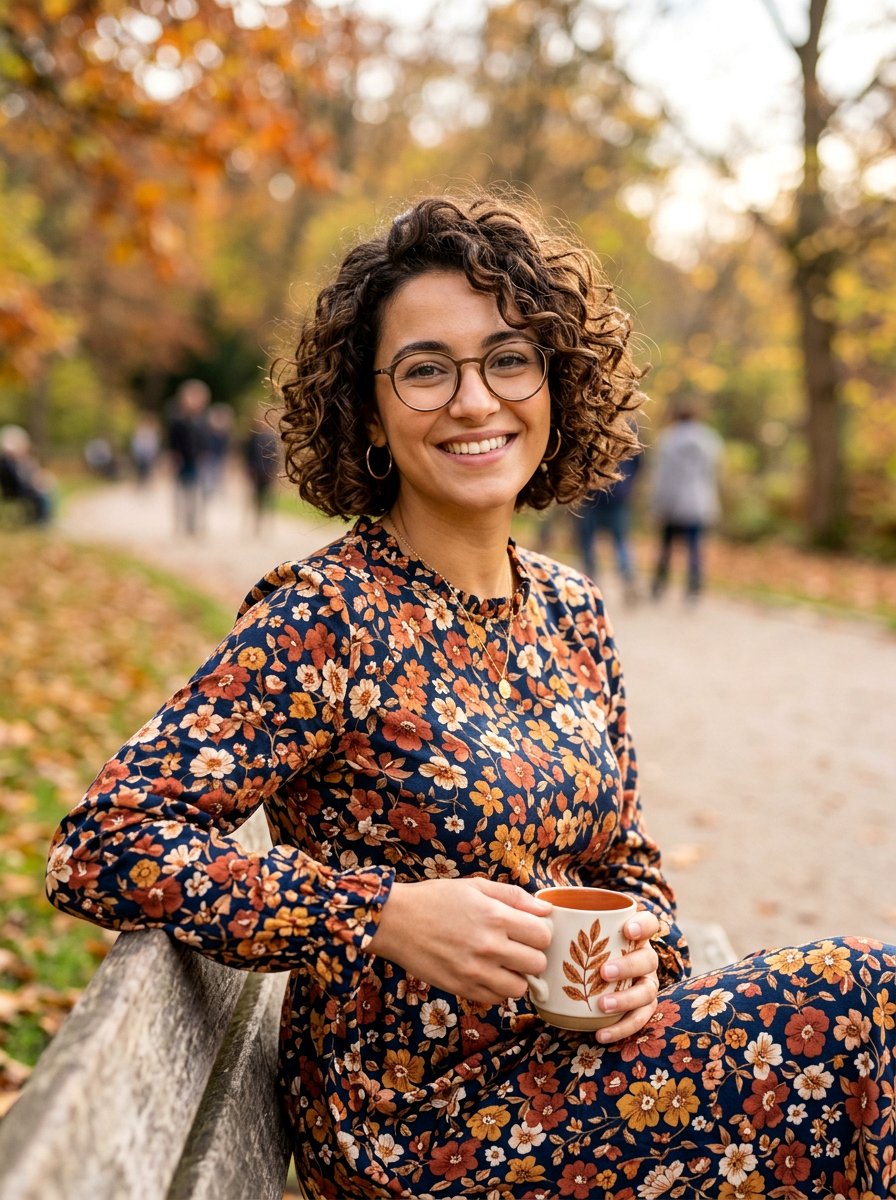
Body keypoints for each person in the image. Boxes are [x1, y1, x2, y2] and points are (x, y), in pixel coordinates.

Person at [46, 194, 895, 1200]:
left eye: (506, 359)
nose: (473, 400)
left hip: (580, 1074)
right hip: (420, 1130)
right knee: (859, 1004)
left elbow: (624, 864)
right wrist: (381, 916)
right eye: (424, 369)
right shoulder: (325, 616)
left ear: (553, 384)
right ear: (365, 410)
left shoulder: (571, 611)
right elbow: (105, 844)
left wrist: (642, 952)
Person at [650, 403, 723, 601]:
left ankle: (658, 586)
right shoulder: (709, 440)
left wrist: (658, 505)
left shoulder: (668, 440)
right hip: (698, 503)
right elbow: (713, 473)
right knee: (695, 548)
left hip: (672, 504)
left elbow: (662, 477)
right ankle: (694, 589)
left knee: (666, 548)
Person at [574, 449, 642, 602]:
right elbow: (638, 464)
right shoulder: (632, 432)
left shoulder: (595, 428)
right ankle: (627, 580)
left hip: (594, 494)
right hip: (617, 495)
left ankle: (590, 583)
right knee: (620, 542)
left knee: (589, 542)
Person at [166, 378, 211, 536]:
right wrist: (173, 457)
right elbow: (172, 441)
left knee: (198, 494)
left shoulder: (203, 420)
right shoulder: (178, 420)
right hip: (182, 461)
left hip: (198, 462)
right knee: (181, 493)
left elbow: (206, 441)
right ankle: (181, 524)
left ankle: (194, 525)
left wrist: (204, 454)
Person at [0, 424, 53, 524]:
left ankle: (43, 519)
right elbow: (19, 480)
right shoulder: (9, 463)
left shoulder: (8, 462)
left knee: (45, 489)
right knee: (43, 493)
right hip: (19, 492)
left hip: (14, 491)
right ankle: (42, 520)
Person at [243, 414, 281, 531]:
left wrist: (274, 472)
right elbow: (248, 456)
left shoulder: (272, 439)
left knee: (268, 499)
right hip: (256, 473)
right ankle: (256, 523)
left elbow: (276, 458)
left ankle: (268, 523)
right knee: (256, 499)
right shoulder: (252, 438)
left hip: (267, 473)